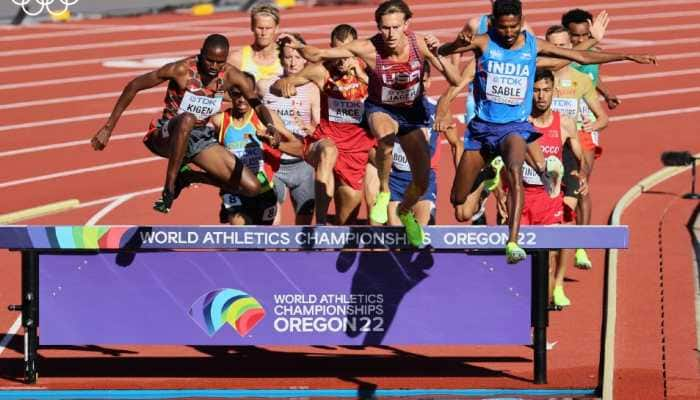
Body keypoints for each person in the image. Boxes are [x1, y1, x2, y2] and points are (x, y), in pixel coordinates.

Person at [437, 0, 656, 263]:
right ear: (495, 23)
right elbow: (443, 50)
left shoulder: (532, 45)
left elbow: (580, 57)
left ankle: (513, 241)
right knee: (458, 200)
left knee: (516, 170)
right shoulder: (483, 42)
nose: (509, 33)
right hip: (482, 130)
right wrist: (456, 43)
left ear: (521, 22)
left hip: (514, 127)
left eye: (514, 27)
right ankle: (487, 175)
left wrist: (626, 56)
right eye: (504, 27)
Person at [280, 0, 461, 246]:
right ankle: (385, 191)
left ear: (406, 25)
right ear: (378, 27)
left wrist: (439, 52)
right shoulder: (367, 47)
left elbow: (455, 79)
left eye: (396, 27)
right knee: (385, 139)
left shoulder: (419, 44)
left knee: (421, 181)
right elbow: (319, 54)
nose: (390, 34)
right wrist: (297, 45)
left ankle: (405, 211)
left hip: (412, 114)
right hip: (382, 109)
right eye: (385, 27)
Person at [91, 34, 279, 213]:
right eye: (209, 60)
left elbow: (257, 104)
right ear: (201, 53)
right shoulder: (181, 70)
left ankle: (189, 176)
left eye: (219, 62)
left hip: (198, 138)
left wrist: (271, 126)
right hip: (166, 133)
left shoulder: (231, 75)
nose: (214, 66)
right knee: (187, 119)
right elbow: (134, 85)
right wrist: (108, 128)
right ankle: (170, 187)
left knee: (252, 187)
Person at [270, 24, 375, 225]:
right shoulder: (321, 70)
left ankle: (336, 227)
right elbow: (280, 85)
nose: (342, 59)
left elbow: (390, 92)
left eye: (348, 52)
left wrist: (362, 77)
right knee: (329, 150)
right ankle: (319, 225)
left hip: (356, 150)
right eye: (338, 52)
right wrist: (282, 87)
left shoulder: (368, 68)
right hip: (324, 140)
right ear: (331, 48)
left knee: (347, 220)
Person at [562, 8, 620, 269]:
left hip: (585, 119)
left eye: (584, 35)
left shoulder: (593, 53)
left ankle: (581, 245)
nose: (579, 41)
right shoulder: (560, 55)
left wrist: (605, 93)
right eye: (574, 37)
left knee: (582, 179)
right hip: (560, 118)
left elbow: (593, 77)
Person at [525, 68, 587, 308]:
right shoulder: (520, 122)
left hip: (549, 200)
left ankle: (541, 318)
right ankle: (523, 310)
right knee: (520, 261)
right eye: (536, 91)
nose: (541, 96)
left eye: (546, 90)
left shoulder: (566, 124)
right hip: (521, 198)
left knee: (547, 259)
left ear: (554, 92)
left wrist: (579, 177)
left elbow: (577, 159)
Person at [386, 61, 462, 226]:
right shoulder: (391, 110)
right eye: (416, 81)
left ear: (429, 81)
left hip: (423, 182)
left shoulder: (439, 110)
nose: (421, 86)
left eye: (424, 80)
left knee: (421, 235)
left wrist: (461, 183)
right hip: (395, 180)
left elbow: (456, 144)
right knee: (396, 238)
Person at [258, 33, 320, 225]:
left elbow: (318, 128)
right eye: (288, 57)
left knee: (304, 225)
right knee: (272, 223)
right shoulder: (264, 85)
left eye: (297, 58)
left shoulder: (312, 88)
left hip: (302, 164)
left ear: (305, 59)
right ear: (281, 58)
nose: (292, 63)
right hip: (272, 161)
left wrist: (308, 128)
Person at [215, 74, 281, 225]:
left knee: (260, 239)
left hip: (263, 189)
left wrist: (275, 142)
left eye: (246, 94)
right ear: (229, 94)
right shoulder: (220, 121)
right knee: (240, 227)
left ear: (254, 93)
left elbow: (294, 145)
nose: (242, 99)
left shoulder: (266, 120)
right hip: (234, 189)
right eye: (236, 94)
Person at [228, 4, 283, 82]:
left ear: (276, 29)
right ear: (252, 27)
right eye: (260, 28)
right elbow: (222, 90)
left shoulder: (288, 57)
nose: (263, 33)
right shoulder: (237, 59)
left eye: (268, 28)